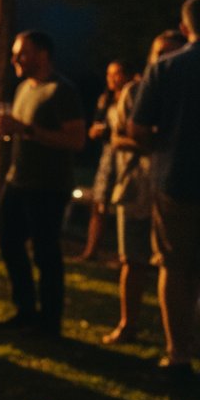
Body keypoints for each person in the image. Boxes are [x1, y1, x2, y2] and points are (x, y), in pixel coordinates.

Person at [0, 30, 86, 337]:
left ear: (42, 55)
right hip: (17, 180)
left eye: (21, 53)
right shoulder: (23, 88)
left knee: (45, 253)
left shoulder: (62, 91)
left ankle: (49, 322)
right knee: (9, 244)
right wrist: (11, 131)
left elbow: (76, 140)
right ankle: (25, 310)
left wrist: (29, 130)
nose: (15, 59)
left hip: (48, 186)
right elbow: (21, 131)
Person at [131, 0, 200, 380]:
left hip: (176, 179)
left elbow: (138, 129)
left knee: (174, 266)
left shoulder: (166, 68)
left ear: (185, 26)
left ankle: (178, 353)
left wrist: (164, 142)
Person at [101, 32, 186, 345]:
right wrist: (154, 141)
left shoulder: (186, 89)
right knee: (132, 260)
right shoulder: (136, 90)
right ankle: (128, 324)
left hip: (174, 187)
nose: (165, 59)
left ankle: (178, 337)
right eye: (160, 52)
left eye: (172, 53)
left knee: (176, 265)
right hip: (137, 185)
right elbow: (119, 136)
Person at [81, 59, 129, 261]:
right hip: (108, 156)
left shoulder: (132, 97)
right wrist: (94, 132)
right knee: (99, 203)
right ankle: (91, 251)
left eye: (116, 73)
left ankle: (123, 255)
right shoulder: (104, 100)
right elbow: (95, 126)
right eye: (109, 74)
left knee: (123, 206)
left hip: (126, 157)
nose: (112, 78)